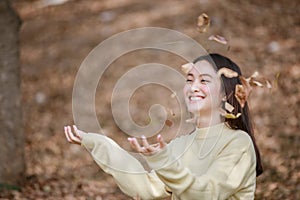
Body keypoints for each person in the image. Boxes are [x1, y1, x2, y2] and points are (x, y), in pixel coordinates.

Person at [64, 53, 263, 199]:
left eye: (204, 80)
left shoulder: (238, 143)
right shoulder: (182, 145)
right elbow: (146, 188)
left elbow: (208, 194)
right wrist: (98, 143)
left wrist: (164, 161)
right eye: (189, 80)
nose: (193, 87)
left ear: (225, 93)